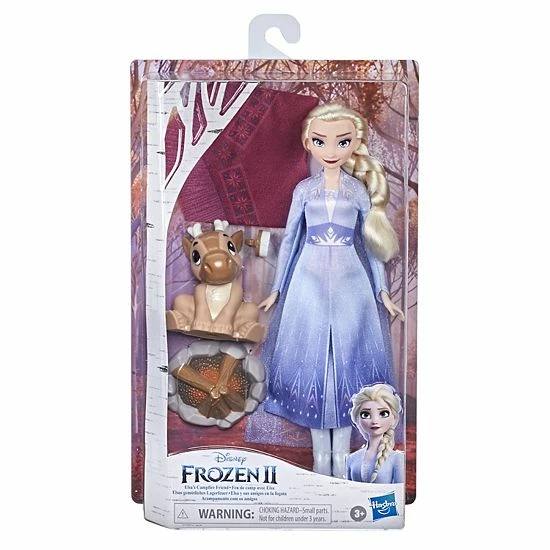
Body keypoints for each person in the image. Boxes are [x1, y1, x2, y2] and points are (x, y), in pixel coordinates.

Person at [259, 103, 403, 478]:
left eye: (342, 141)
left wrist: (382, 291)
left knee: (347, 360)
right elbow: (290, 241)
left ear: (355, 143)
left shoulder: (358, 192)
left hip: (351, 284)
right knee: (311, 359)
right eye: (321, 141)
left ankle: (341, 456)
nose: (332, 149)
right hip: (306, 281)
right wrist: (277, 289)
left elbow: (371, 245)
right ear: (309, 142)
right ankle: (319, 458)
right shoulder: (304, 190)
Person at [346, 384, 404, 483]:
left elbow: (399, 490)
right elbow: (347, 488)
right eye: (366, 414)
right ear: (357, 419)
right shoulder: (351, 459)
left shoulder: (396, 458)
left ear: (393, 418)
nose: (374, 421)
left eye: (383, 413)